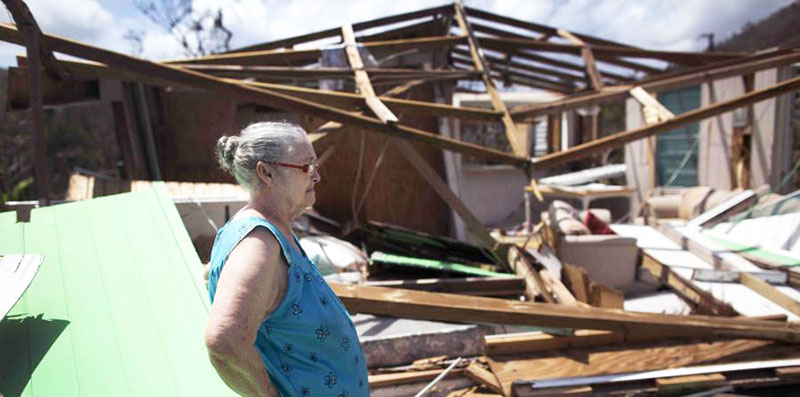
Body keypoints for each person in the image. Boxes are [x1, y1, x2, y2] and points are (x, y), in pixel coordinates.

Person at [204, 121, 368, 396]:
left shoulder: (274, 232)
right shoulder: (259, 244)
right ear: (266, 173)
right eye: (306, 167)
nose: (316, 177)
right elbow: (224, 339)